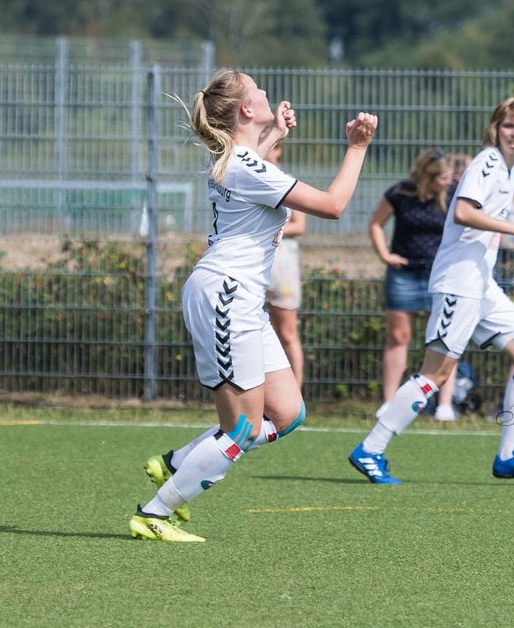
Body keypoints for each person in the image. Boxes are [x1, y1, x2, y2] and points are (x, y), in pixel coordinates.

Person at [131, 69, 378, 542]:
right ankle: (155, 514)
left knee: (287, 414)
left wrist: (276, 133)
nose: (266, 93)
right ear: (246, 110)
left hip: (239, 298)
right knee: (241, 429)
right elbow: (331, 205)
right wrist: (358, 146)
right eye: (258, 90)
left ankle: (177, 464)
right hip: (225, 295)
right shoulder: (244, 165)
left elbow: (252, 170)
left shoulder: (238, 159)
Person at [350, 97, 514, 484]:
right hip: (458, 284)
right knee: (436, 375)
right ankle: (370, 448)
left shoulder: (507, 170)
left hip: (482, 285)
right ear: (495, 127)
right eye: (508, 125)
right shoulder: (488, 163)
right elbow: (462, 211)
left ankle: (510, 454)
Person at [367, 148, 455, 419]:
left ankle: (444, 405)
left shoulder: (452, 197)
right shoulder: (400, 194)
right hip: (403, 274)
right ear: (427, 177)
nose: (448, 181)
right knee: (398, 337)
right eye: (442, 177)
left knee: (443, 339)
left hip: (439, 277)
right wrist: (384, 255)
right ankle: (389, 402)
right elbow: (375, 224)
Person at [264, 142, 306, 388]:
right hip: (256, 266)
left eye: (272, 145)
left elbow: (299, 225)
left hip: (282, 269)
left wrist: (271, 230)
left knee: (288, 333)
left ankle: (296, 391)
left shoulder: (288, 183)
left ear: (279, 150)